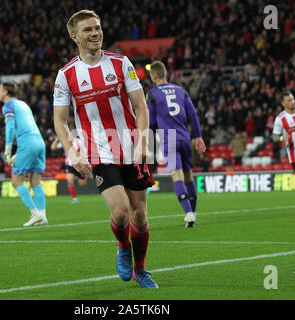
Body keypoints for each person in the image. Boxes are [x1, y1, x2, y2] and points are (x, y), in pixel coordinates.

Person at [53, 10, 158, 288]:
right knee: (121, 212)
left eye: (97, 28)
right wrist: (71, 151)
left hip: (131, 147)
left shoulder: (122, 63)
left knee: (139, 213)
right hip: (98, 150)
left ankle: (141, 268)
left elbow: (140, 106)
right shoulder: (66, 75)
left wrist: (144, 140)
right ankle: (123, 246)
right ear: (74, 36)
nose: (95, 33)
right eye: (88, 30)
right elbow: (59, 119)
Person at [146, 60, 206, 228]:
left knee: (176, 175)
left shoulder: (152, 94)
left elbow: (150, 121)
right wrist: (198, 137)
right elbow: (193, 115)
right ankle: (193, 212)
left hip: (168, 137)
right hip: (185, 137)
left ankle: (188, 213)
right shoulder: (181, 91)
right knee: (188, 175)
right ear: (165, 73)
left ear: (155, 76)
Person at [0, 82, 48, 227]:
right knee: (35, 182)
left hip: (27, 142)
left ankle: (35, 213)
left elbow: (10, 126)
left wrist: (8, 149)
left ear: (6, 92)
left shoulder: (8, 106)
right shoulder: (23, 104)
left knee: (16, 181)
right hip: (39, 141)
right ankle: (42, 216)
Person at [51, 136, 88, 204]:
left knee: (82, 184)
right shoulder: (65, 141)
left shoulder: (79, 141)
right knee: (69, 180)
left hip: (80, 164)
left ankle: (84, 177)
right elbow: (53, 147)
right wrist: (57, 139)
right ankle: (74, 199)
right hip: (70, 164)